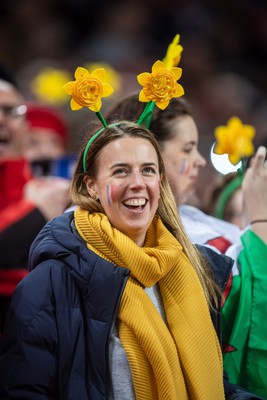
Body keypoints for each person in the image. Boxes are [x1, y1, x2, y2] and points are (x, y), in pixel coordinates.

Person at [0, 119, 262, 399]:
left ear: (159, 183)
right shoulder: (49, 283)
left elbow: (211, 383)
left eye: (148, 170)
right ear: (91, 186)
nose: (137, 183)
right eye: (121, 171)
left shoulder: (195, 269)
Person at [107, 94, 267, 398]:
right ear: (149, 149)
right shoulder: (112, 238)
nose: (200, 161)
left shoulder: (201, 225)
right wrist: (260, 216)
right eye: (187, 149)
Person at [0, 78, 71, 335]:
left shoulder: (55, 191)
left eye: (11, 111)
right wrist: (36, 213)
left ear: (24, 126)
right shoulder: (43, 200)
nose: (2, 121)